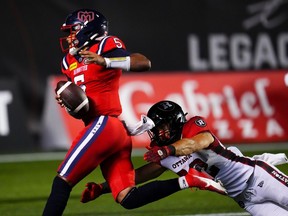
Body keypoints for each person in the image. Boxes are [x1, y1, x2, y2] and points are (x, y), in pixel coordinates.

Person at [42, 10, 226, 216]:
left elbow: (143, 62)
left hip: (106, 126)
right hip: (109, 132)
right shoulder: (68, 62)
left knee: (62, 181)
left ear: (87, 29)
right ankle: (190, 180)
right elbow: (81, 104)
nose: (70, 36)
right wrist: (68, 102)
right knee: (128, 197)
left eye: (73, 30)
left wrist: (106, 61)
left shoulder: (104, 45)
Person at [81, 100, 288, 216]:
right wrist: (104, 188)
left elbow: (198, 143)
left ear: (174, 123)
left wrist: (166, 151)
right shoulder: (163, 150)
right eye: (156, 129)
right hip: (245, 200)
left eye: (161, 127)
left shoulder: (193, 126)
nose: (157, 134)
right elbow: (140, 175)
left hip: (259, 178)